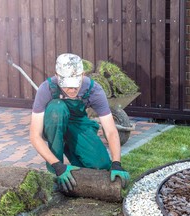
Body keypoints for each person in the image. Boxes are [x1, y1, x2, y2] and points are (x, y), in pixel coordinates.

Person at [30, 53, 130, 194]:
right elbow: (35, 135)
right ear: (57, 76)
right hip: (54, 123)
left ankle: (70, 148)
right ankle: (54, 171)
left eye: (75, 86)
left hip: (78, 124)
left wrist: (116, 163)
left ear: (82, 75)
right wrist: (58, 166)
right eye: (67, 86)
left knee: (101, 165)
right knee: (56, 108)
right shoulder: (46, 88)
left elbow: (111, 131)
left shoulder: (94, 90)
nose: (71, 90)